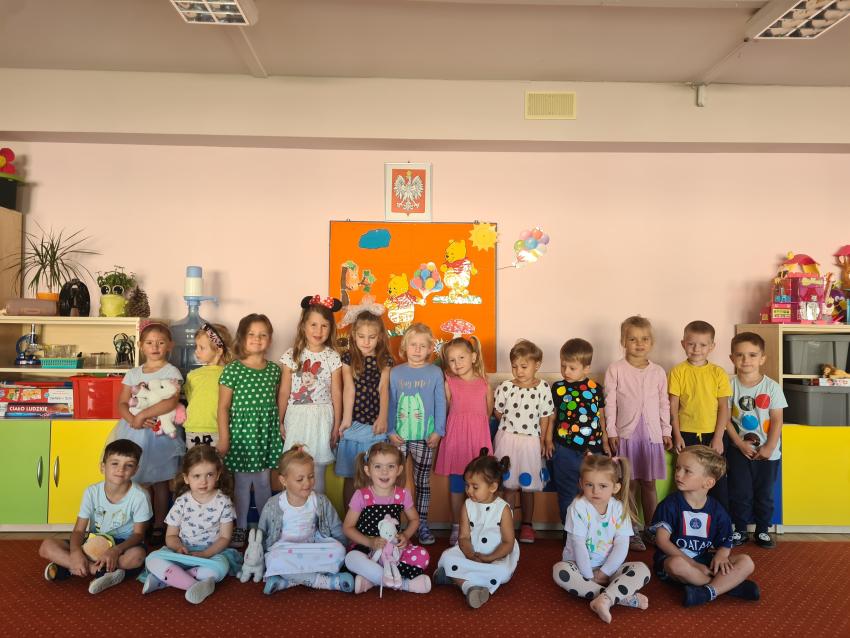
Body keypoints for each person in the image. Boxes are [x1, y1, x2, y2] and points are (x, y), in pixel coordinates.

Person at [650, 445, 759, 607]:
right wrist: (693, 564)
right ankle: (729, 586)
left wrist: (721, 555)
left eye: (687, 471)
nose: (678, 474)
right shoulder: (669, 505)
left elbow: (725, 541)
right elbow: (662, 541)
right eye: (678, 468)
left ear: (708, 482)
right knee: (676, 564)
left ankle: (707, 592)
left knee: (746, 561)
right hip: (673, 560)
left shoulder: (717, 511)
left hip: (703, 559)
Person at [39, 439, 150, 594]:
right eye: (115, 463)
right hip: (93, 541)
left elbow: (138, 535)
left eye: (129, 465)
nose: (121, 469)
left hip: (123, 544)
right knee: (46, 546)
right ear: (102, 467)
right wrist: (76, 551)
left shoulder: (140, 496)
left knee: (138, 556)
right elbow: (79, 530)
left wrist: (116, 550)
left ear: (135, 470)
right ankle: (95, 570)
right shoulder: (91, 492)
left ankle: (70, 567)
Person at [552, 455, 650, 624]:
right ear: (581, 483)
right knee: (560, 570)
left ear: (615, 487)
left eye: (602, 486)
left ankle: (603, 597)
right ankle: (617, 597)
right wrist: (589, 576)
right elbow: (578, 544)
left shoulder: (618, 508)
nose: (595, 491)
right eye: (589, 485)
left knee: (642, 569)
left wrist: (605, 572)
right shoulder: (577, 507)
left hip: (611, 569)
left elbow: (621, 544)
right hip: (579, 568)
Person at [111, 322, 184, 543]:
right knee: (135, 479)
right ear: (141, 345)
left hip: (160, 434)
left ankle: (160, 523)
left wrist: (144, 415)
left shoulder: (171, 371)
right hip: (133, 431)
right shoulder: (133, 373)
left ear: (169, 345)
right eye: (150, 343)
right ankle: (137, 524)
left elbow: (171, 401)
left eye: (160, 343)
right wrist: (133, 419)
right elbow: (122, 402)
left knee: (161, 482)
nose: (155, 347)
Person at [604, 316, 671, 551]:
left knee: (649, 484)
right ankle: (630, 530)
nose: (639, 344)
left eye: (644, 339)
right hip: (627, 435)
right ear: (623, 341)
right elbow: (610, 402)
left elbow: (664, 403)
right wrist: (611, 431)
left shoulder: (658, 372)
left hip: (651, 436)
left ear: (651, 342)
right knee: (628, 485)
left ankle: (651, 529)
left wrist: (666, 430)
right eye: (632, 339)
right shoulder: (616, 369)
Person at [141, 445, 240, 604]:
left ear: (218, 475)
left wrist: (206, 554)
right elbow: (171, 535)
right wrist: (178, 547)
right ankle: (194, 584)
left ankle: (165, 580)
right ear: (186, 478)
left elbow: (225, 537)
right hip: (182, 553)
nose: (203, 481)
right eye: (196, 476)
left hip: (210, 555)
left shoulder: (224, 501)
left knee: (221, 567)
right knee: (152, 558)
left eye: (209, 475)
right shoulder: (182, 501)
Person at [217, 313, 281, 548]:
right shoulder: (233, 370)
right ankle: (241, 528)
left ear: (270, 340)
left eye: (263, 334)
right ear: (242, 338)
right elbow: (223, 408)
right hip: (242, 437)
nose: (257, 338)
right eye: (252, 334)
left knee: (264, 483)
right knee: (242, 485)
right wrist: (225, 438)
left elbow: (278, 404)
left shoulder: (274, 370)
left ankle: (264, 528)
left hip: (265, 434)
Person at [260, 446, 353, 594]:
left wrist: (344, 546)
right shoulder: (274, 504)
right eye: (300, 479)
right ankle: (327, 582)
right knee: (273, 558)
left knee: (339, 552)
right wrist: (257, 553)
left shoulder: (319, 501)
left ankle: (288, 581)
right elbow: (262, 532)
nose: (307, 483)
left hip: (312, 546)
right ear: (283, 480)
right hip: (284, 549)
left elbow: (335, 526)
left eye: (311, 476)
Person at [433, 449, 519, 608]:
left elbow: (508, 543)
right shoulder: (467, 505)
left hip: (495, 555)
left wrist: (490, 557)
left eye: (475, 487)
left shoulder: (503, 509)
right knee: (446, 557)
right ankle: (470, 587)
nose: (469, 491)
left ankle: (455, 579)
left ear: (492, 487)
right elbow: (464, 537)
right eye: (467, 485)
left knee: (502, 572)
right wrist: (470, 554)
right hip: (470, 552)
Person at [343, 442, 432, 594]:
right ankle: (403, 584)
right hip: (366, 549)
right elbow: (347, 528)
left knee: (423, 556)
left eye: (390, 466)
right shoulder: (361, 495)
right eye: (378, 466)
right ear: (368, 470)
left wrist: (406, 535)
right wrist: (370, 542)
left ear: (399, 470)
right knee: (351, 558)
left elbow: (415, 520)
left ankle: (372, 579)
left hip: (393, 551)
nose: (384, 472)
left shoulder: (402, 494)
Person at [726, 332, 787, 549]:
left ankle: (762, 530)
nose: (746, 360)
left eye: (752, 355)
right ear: (732, 358)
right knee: (740, 491)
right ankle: (740, 529)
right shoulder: (728, 385)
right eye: (740, 355)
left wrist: (769, 447)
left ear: (762, 358)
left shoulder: (772, 387)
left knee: (764, 493)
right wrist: (739, 443)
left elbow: (777, 419)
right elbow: (724, 419)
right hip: (738, 449)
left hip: (767, 452)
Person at [387, 322, 446, 545]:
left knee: (422, 482)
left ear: (430, 348)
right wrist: (390, 430)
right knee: (393, 481)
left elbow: (440, 403)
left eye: (423, 345)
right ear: (404, 347)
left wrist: (438, 431)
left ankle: (421, 525)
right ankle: (391, 525)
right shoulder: (396, 372)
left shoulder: (435, 372)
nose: (417, 349)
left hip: (425, 437)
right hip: (398, 437)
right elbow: (391, 402)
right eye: (413, 344)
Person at [279, 295, 343, 496]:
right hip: (296, 418)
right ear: (303, 326)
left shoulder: (332, 357)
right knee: (295, 468)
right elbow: (284, 391)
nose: (318, 331)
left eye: (324, 326)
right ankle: (296, 510)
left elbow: (336, 392)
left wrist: (337, 424)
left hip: (322, 419)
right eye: (313, 325)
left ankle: (318, 512)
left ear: (330, 329)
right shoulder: (292, 355)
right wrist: (279, 420)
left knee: (317, 472)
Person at [493, 339, 554, 544]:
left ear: (537, 365)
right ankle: (506, 525)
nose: (519, 371)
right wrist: (510, 425)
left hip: (530, 442)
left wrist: (543, 440)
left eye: (524, 366)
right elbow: (498, 411)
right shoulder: (506, 387)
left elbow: (545, 416)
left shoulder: (543, 387)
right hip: (507, 440)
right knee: (508, 486)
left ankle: (527, 525)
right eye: (515, 366)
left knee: (528, 487)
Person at [434, 336, 494, 546]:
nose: (457, 363)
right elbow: (445, 410)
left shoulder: (484, 384)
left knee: (480, 484)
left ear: (474, 357)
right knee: (457, 486)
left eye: (461, 357)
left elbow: (487, 413)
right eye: (451, 360)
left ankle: (478, 525)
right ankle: (457, 526)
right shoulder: (449, 382)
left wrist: (474, 429)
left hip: (478, 440)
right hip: (457, 440)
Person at [668, 320, 732, 510]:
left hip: (713, 435)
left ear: (712, 347)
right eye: (691, 344)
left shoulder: (718, 373)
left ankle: (720, 522)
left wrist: (718, 437)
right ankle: (685, 520)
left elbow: (723, 407)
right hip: (686, 434)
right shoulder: (677, 372)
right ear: (683, 344)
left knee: (717, 482)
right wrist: (677, 435)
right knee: (687, 481)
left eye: (703, 345)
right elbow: (673, 406)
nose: (696, 349)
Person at [336, 310, 394, 509]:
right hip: (354, 422)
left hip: (374, 425)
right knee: (351, 477)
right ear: (354, 335)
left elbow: (383, 388)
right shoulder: (348, 358)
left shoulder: (384, 359)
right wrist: (346, 419)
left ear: (380, 337)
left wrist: (383, 417)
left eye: (372, 337)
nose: (366, 342)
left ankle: (371, 519)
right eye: (361, 336)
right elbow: (348, 388)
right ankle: (349, 520)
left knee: (373, 476)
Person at [550, 338, 610, 529]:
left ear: (586, 368)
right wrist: (547, 440)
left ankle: (593, 531)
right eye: (563, 366)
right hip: (565, 448)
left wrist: (605, 442)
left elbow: (601, 418)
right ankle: (570, 532)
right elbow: (552, 416)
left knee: (594, 492)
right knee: (567, 493)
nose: (566, 371)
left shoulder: (596, 388)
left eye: (572, 368)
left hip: (593, 449)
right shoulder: (558, 388)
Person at [184, 322, 233, 449]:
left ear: (218, 350)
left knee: (217, 461)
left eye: (202, 347)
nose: (196, 351)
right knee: (195, 461)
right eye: (196, 346)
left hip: (219, 430)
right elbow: (190, 399)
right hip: (193, 429)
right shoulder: (192, 375)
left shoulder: (229, 374)